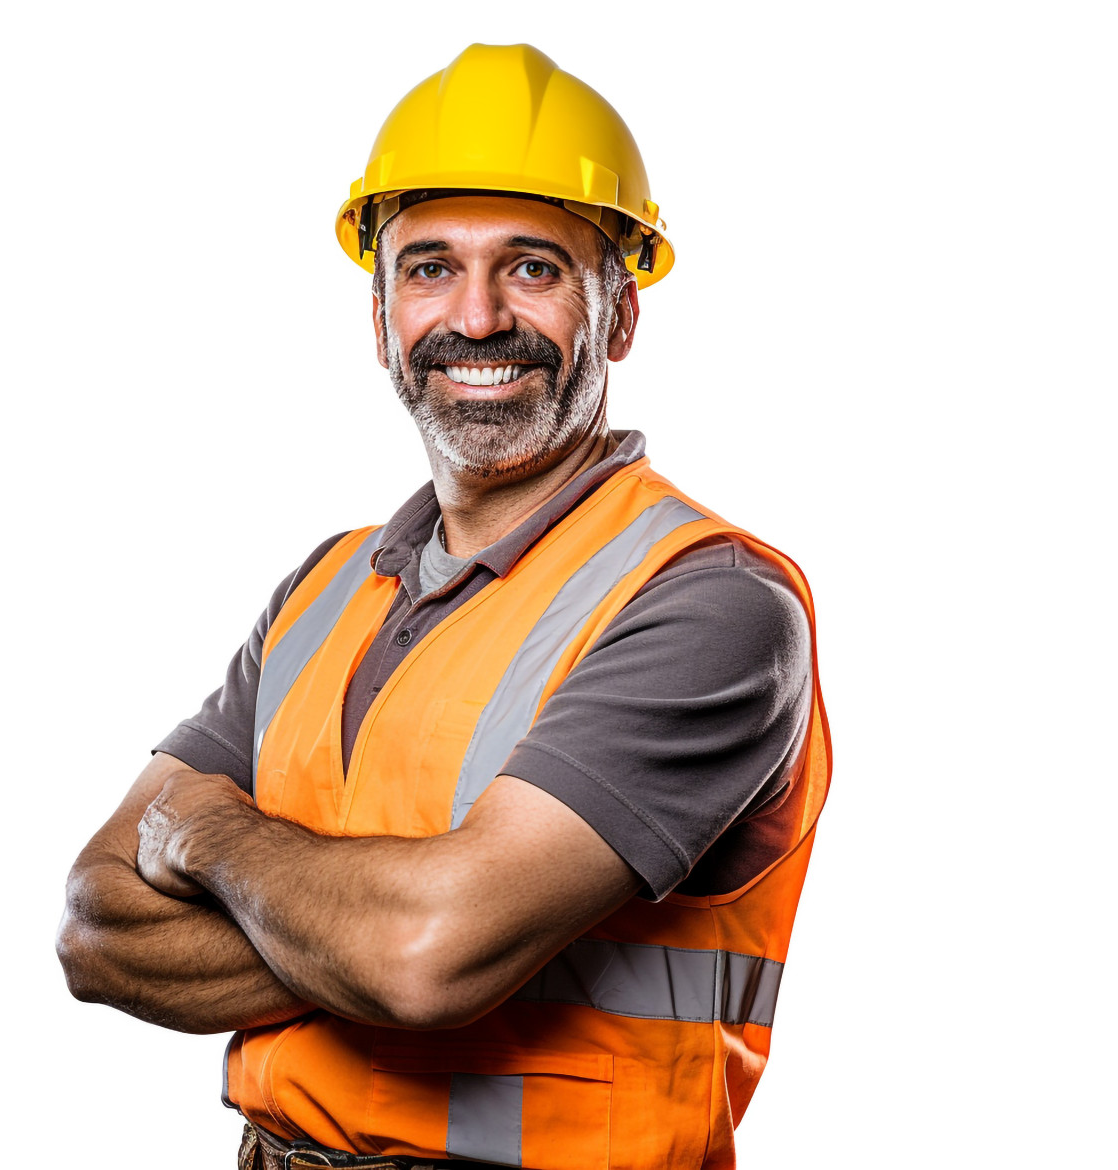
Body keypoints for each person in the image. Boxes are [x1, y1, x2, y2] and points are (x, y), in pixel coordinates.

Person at [56, 43, 831, 1170]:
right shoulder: (324, 590)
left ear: (618, 314)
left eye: (532, 268)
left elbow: (424, 957)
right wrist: (378, 925)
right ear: (380, 320)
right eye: (428, 268)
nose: (475, 319)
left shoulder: (707, 601)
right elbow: (97, 928)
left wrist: (215, 838)